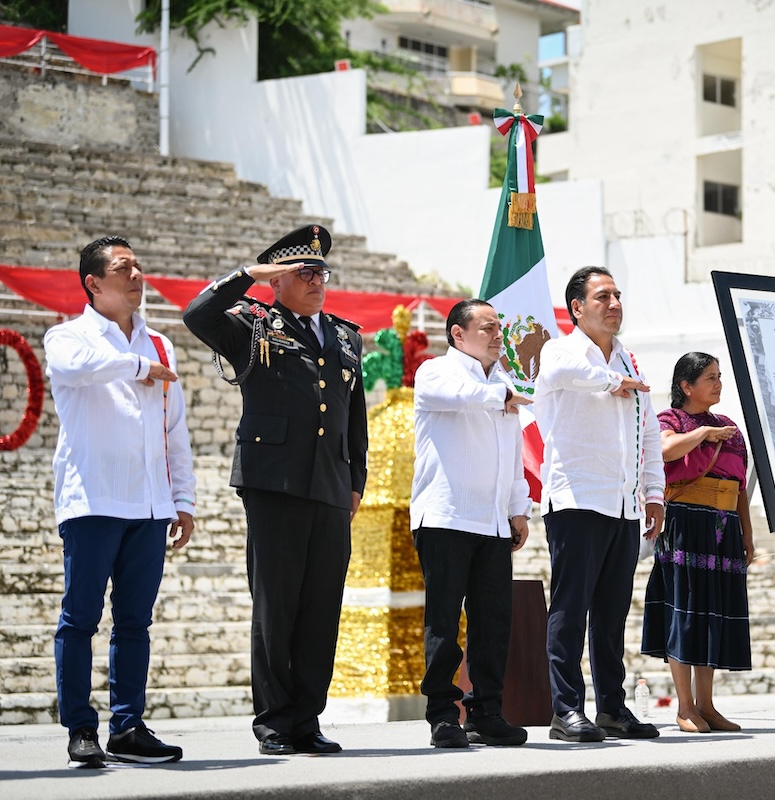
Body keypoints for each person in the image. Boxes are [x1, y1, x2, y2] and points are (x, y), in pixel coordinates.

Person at [182, 225, 368, 753]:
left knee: (320, 609)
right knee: (276, 607)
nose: (315, 279)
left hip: (331, 485)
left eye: (319, 271)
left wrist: (356, 480)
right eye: (302, 272)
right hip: (275, 484)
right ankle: (273, 722)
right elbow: (197, 316)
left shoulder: (344, 335)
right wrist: (246, 276)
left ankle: (307, 720)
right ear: (277, 280)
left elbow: (355, 419)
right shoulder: (251, 323)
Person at [44, 235, 196, 768]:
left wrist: (183, 498)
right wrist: (137, 369)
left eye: (138, 266)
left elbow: (173, 427)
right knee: (80, 618)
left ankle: (128, 726)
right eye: (124, 267)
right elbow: (77, 368)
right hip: (94, 498)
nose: (138, 275)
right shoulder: (68, 336)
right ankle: (81, 729)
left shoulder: (158, 343)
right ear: (93, 281)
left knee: (135, 621)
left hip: (150, 504)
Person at [536, 266, 666, 742]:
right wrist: (612, 382)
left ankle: (612, 707)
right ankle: (566, 709)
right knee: (570, 610)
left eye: (617, 295)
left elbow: (649, 432)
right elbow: (558, 374)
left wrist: (654, 492)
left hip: (624, 504)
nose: (614, 304)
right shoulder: (562, 349)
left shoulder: (630, 361)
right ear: (577, 308)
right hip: (577, 498)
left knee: (612, 615)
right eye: (602, 296)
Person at [411, 299, 533, 748]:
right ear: (458, 335)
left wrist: (519, 507)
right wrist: (500, 396)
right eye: (487, 327)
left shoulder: (502, 382)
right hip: (446, 515)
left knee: (493, 622)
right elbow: (450, 398)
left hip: (493, 521)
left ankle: (486, 712)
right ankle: (443, 714)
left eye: (499, 326)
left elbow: (514, 457)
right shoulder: (436, 371)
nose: (498, 334)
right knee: (444, 622)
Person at [641, 352, 753, 733]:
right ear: (686, 386)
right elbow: (664, 451)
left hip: (723, 530)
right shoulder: (669, 420)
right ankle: (685, 706)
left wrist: (747, 537)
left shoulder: (730, 429)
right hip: (686, 526)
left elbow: (739, 490)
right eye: (709, 377)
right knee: (685, 612)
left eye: (719, 376)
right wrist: (703, 434)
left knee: (713, 615)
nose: (718, 383)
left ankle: (707, 705)